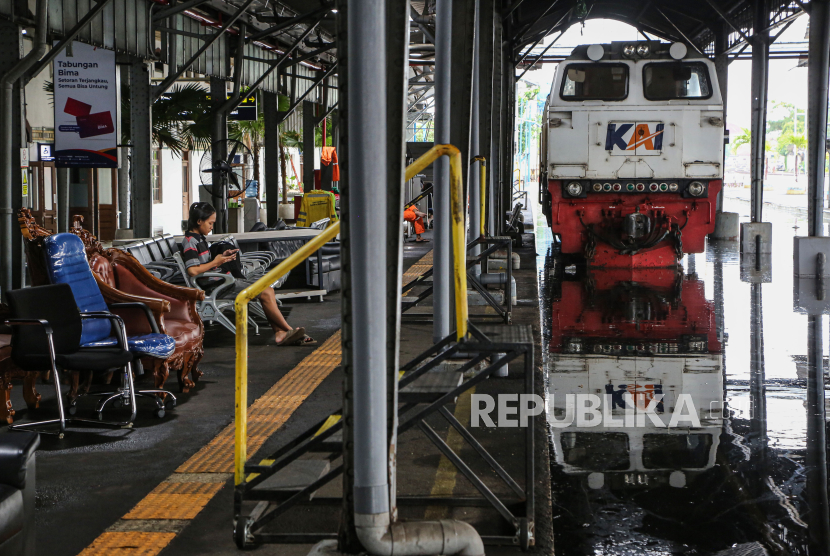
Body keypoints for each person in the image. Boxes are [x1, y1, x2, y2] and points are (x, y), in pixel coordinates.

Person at [183, 202, 314, 346]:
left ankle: (281, 333)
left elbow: (204, 264)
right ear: (199, 221)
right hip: (216, 287)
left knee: (267, 290)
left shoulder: (198, 239)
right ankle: (287, 330)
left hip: (222, 282)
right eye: (210, 223)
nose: (211, 227)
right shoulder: (190, 242)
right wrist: (216, 262)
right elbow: (192, 270)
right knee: (265, 292)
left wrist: (223, 256)